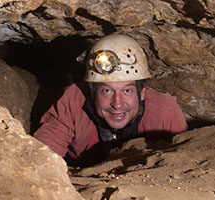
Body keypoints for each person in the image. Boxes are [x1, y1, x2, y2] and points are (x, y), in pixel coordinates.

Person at [34, 34, 188, 166]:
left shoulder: (164, 112)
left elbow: (185, 162)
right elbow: (40, 158)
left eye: (127, 91)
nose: (117, 104)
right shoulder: (72, 102)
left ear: (142, 93)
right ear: (92, 92)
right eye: (107, 91)